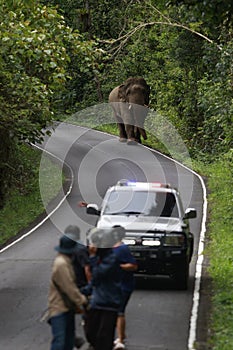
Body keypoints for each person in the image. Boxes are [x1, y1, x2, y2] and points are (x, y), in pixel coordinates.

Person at [81, 227, 123, 350]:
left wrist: (93, 256)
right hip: (97, 303)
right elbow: (94, 282)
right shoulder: (100, 259)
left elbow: (99, 273)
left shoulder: (112, 259)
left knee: (104, 337)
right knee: (90, 332)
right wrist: (80, 292)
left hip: (109, 304)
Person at [48, 232, 87, 350]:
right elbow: (69, 287)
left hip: (67, 306)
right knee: (60, 342)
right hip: (59, 307)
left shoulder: (65, 261)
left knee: (68, 340)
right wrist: (82, 300)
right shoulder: (62, 264)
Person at [64, 225, 92, 349]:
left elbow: (87, 269)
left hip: (80, 287)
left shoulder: (79, 249)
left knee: (88, 314)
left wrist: (91, 286)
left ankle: (91, 339)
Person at [112, 226, 138, 350]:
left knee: (119, 312)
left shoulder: (122, 249)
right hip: (116, 285)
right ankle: (121, 335)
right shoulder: (114, 248)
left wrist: (119, 267)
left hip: (124, 286)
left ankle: (121, 340)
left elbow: (133, 265)